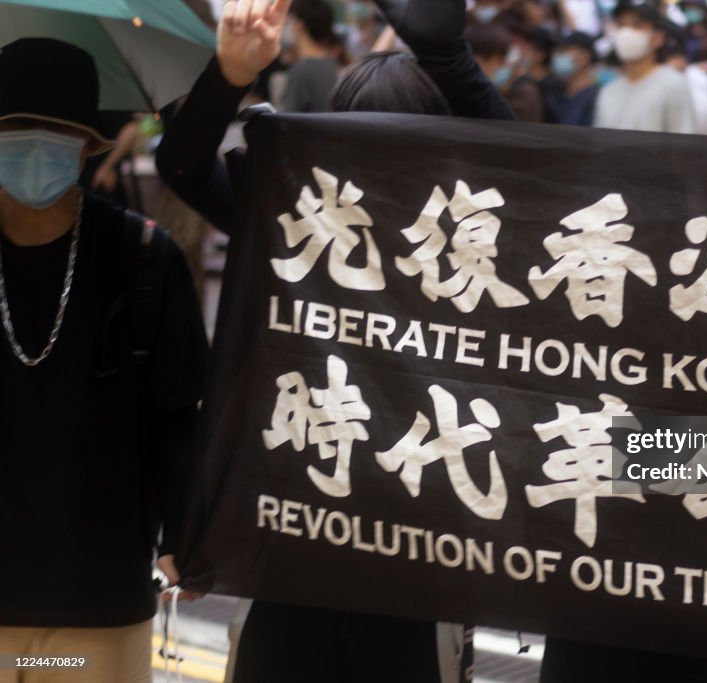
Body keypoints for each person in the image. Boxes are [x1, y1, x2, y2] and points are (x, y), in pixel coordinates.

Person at [157, 0, 512, 680]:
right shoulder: (298, 214)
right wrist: (228, 77)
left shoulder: (471, 239)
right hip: (300, 545)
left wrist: (450, 61)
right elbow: (182, 165)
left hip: (416, 557)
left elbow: (538, 178)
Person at [0, 38, 207, 682]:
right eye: (14, 129)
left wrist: (185, 536)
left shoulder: (143, 257)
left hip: (98, 604)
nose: (36, 144)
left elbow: (178, 414)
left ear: (91, 143)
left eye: (57, 129)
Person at [594, 0, 697, 134]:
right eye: (621, 25)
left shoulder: (673, 85)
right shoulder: (608, 92)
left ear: (658, 38)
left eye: (637, 25)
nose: (626, 32)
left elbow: (683, 146)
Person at [280, 0, 340, 112]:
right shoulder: (331, 63)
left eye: (289, 21)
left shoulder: (302, 70)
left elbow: (288, 121)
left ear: (299, 26)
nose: (286, 27)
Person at [550, 31, 601, 125]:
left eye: (563, 51)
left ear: (584, 58)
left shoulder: (595, 99)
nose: (557, 57)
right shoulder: (558, 93)